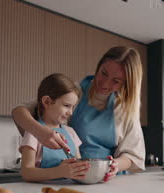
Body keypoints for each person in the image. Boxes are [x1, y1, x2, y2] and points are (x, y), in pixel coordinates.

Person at [13, 46, 145, 182]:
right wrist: (39, 132)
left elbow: (133, 156)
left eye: (116, 81)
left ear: (127, 84)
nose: (105, 83)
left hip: (106, 179)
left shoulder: (126, 109)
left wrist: (113, 165)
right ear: (98, 67)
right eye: (103, 73)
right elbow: (19, 111)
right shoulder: (74, 92)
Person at [19, 73, 90, 182]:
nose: (70, 112)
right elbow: (27, 172)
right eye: (66, 106)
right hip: (41, 191)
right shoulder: (34, 133)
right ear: (47, 102)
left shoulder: (71, 133)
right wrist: (60, 171)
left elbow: (78, 165)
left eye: (73, 107)